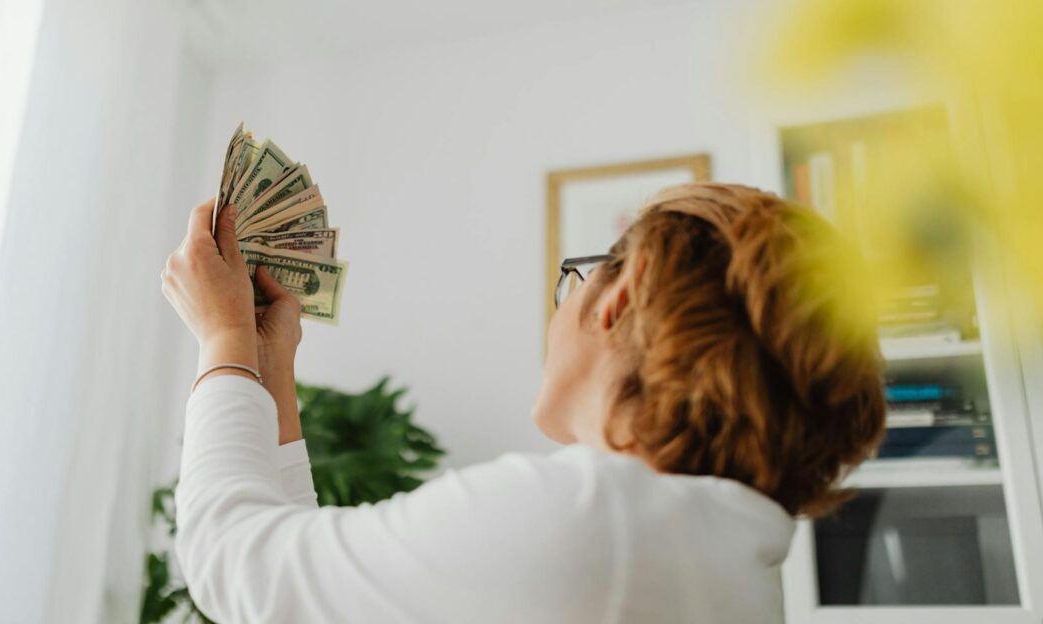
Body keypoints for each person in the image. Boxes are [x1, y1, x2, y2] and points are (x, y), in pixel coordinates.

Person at [159, 183, 886, 623]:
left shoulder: (589, 519)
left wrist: (221, 333)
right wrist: (268, 362)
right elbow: (300, 591)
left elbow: (232, 562)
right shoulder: (721, 553)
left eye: (576, 278)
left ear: (617, 300)